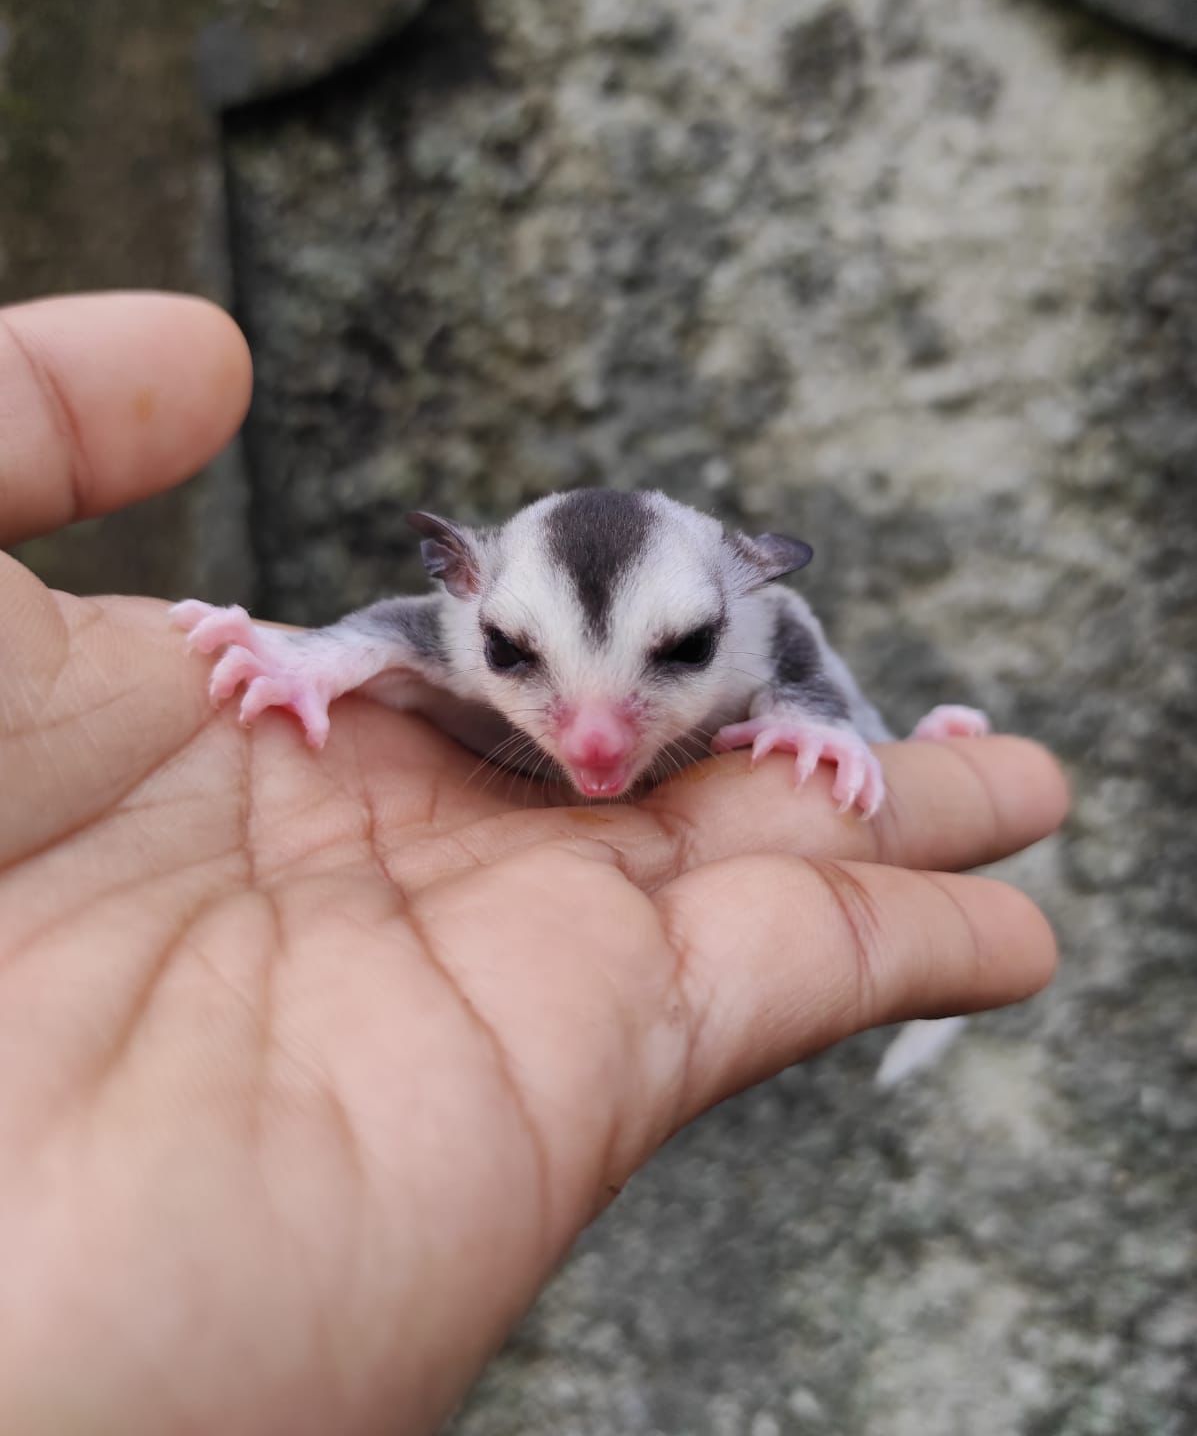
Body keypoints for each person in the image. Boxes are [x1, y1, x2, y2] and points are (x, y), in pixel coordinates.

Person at [0, 292, 1066, 1434]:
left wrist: (828, 726)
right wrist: (305, 661)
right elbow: (396, 634)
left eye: (684, 651)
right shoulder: (465, 617)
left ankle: (905, 744)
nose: (594, 738)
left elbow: (782, 658)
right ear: (473, 597)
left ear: (738, 596)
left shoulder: (758, 617)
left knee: (847, 743)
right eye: (518, 658)